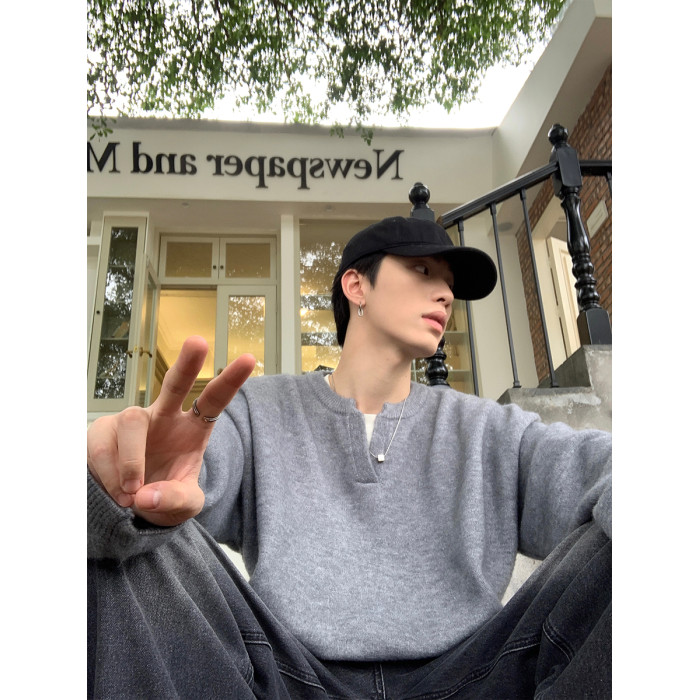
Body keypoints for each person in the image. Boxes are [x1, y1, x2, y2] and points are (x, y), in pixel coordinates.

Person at [87, 216, 612, 698]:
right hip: (283, 676)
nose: (446, 293)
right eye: (423, 271)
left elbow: (597, 468)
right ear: (357, 285)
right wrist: (128, 492)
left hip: (477, 677)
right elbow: (176, 487)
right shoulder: (258, 409)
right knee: (122, 535)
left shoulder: (490, 428)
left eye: (450, 283)